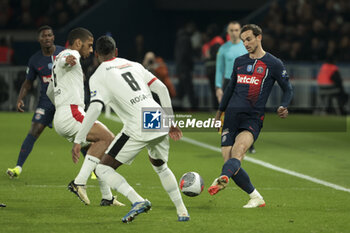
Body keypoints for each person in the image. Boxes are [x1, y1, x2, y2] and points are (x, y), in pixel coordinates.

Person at [72, 35, 189, 223]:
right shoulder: (134, 64)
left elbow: (95, 108)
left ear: (96, 54)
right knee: (160, 166)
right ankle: (182, 211)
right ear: (116, 51)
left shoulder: (98, 75)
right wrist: (171, 121)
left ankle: (138, 201)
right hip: (157, 117)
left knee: (102, 169)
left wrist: (79, 139)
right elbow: (162, 90)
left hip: (137, 124)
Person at [208, 24, 293, 208]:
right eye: (244, 40)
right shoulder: (240, 61)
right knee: (229, 161)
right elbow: (230, 89)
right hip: (230, 116)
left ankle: (222, 178)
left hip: (252, 118)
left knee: (238, 153)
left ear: (259, 37)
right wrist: (218, 114)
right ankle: (255, 197)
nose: (245, 43)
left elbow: (288, 89)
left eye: (249, 39)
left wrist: (283, 106)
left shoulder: (274, 63)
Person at [47, 28, 124, 207]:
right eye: (89, 45)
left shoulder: (57, 59)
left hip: (63, 114)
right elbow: (67, 60)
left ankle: (107, 197)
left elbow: (50, 91)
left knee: (97, 150)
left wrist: (60, 106)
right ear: (78, 43)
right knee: (108, 138)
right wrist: (69, 60)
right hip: (73, 113)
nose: (91, 50)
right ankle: (79, 182)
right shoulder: (70, 54)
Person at [6, 25, 65, 178]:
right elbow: (28, 83)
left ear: (53, 37)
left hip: (64, 101)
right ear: (39, 39)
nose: (47, 38)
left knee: (78, 133)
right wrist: (20, 99)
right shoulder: (35, 60)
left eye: (50, 35)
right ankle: (18, 167)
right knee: (34, 131)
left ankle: (93, 170)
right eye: (44, 36)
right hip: (45, 102)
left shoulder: (63, 53)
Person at [215, 21, 257, 153]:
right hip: (229, 82)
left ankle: (249, 141)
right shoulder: (223, 49)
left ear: (240, 31)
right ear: (228, 32)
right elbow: (219, 70)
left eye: (236, 30)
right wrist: (218, 87)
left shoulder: (246, 47)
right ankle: (230, 140)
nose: (234, 32)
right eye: (231, 30)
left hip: (245, 82)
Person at [174, 22, 197, 109]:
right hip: (185, 68)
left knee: (182, 89)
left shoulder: (180, 38)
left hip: (181, 68)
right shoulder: (185, 39)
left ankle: (176, 107)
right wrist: (187, 66)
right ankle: (194, 108)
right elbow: (184, 54)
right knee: (188, 88)